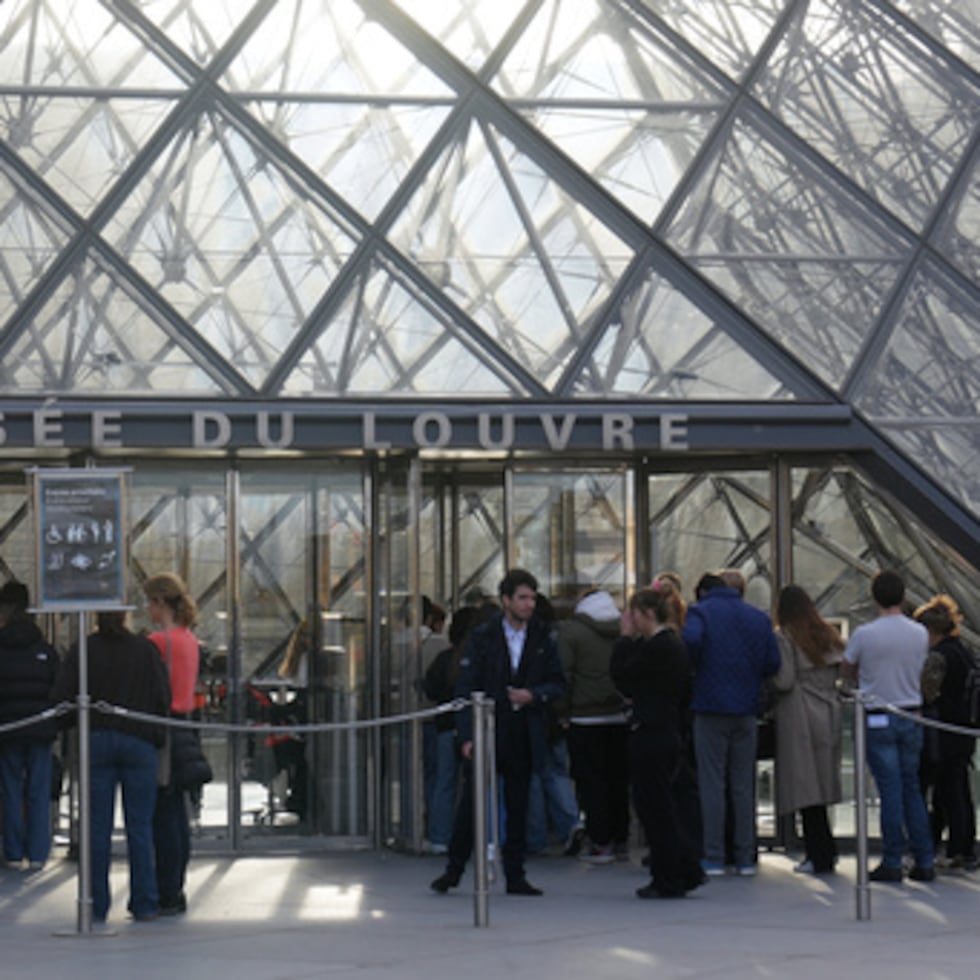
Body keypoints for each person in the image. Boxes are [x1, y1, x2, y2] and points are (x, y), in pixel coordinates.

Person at [430, 569, 566, 896]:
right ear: (506, 601)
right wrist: (467, 736)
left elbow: (558, 681)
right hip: (488, 728)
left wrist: (534, 695)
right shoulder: (484, 637)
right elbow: (465, 688)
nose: (529, 604)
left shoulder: (543, 637)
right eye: (522, 597)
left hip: (523, 729)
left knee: (518, 803)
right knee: (472, 803)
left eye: (532, 597)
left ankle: (515, 873)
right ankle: (454, 868)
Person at [53, 611, 170, 923]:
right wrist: (155, 738)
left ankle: (95, 903)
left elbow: (62, 697)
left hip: (97, 739)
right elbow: (163, 697)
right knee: (140, 827)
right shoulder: (145, 650)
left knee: (97, 828)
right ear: (126, 617)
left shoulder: (84, 649)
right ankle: (144, 902)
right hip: (139, 740)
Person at [682, 570, 781, 876]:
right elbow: (772, 662)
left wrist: (699, 667)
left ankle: (713, 854)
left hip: (710, 706)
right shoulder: (757, 618)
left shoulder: (700, 613)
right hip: (746, 708)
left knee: (712, 783)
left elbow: (691, 641)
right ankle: (745, 855)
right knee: (743, 784)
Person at [611, 583, 703, 898]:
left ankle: (670, 874)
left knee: (655, 808)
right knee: (664, 805)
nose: (629, 619)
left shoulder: (658, 648)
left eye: (633, 613)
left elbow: (623, 676)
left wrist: (623, 640)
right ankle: (684, 867)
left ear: (646, 614)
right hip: (667, 731)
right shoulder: (672, 645)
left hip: (652, 734)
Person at [842, 569, 935, 883]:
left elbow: (848, 668)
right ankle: (924, 858)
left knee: (890, 790)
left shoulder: (865, 635)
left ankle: (893, 859)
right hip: (911, 713)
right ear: (904, 596)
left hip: (878, 713)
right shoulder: (919, 633)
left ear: (874, 597)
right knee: (912, 789)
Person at [771, 584, 845, 875]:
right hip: (828, 710)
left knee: (805, 788)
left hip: (799, 713)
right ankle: (826, 850)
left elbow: (785, 680)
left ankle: (818, 853)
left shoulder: (785, 636)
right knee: (823, 785)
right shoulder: (827, 633)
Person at [557, 588, 629, 864]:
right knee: (618, 781)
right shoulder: (623, 628)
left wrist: (561, 711)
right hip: (619, 716)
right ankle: (621, 839)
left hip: (584, 717)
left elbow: (564, 674)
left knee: (591, 782)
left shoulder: (573, 632)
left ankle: (600, 841)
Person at [143, 572, 201, 915]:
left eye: (150, 602)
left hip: (161, 726)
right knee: (176, 810)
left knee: (163, 812)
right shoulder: (188, 639)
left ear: (161, 602)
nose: (148, 608)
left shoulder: (158, 641)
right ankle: (175, 885)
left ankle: (166, 887)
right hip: (184, 724)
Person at [914, 594, 977, 870]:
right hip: (964, 729)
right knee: (958, 790)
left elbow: (927, 692)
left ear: (930, 631)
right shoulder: (963, 651)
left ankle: (952, 849)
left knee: (946, 791)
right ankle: (963, 846)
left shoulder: (939, 656)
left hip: (943, 731)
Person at [0, 581, 59, 871]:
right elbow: (58, 689)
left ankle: (12, 851)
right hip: (40, 728)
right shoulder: (45, 649)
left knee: (10, 788)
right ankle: (37, 852)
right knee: (38, 788)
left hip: (8, 729)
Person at [422, 605, 479, 854]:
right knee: (483, 783)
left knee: (444, 783)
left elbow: (431, 688)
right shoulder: (482, 657)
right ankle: (485, 837)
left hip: (446, 727)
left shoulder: (446, 658)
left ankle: (439, 837)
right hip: (478, 729)